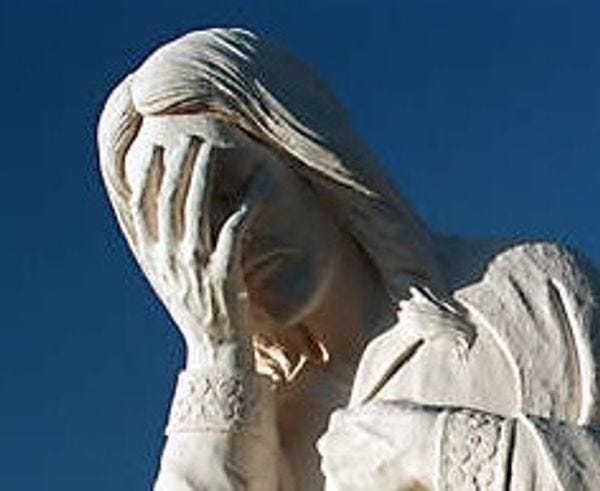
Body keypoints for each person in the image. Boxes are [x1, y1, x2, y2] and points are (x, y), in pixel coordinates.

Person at [98, 28, 600, 490]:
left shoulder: (523, 291)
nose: (228, 239)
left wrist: (434, 448)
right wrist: (216, 360)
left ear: (303, 153)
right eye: (185, 222)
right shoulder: (259, 439)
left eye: (232, 186)